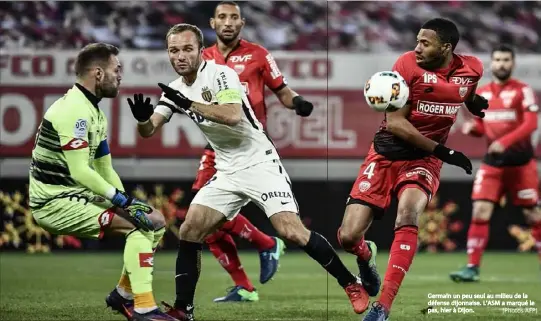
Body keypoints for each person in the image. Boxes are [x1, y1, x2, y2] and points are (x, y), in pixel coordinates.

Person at [128, 23, 369, 321]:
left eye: (187, 49)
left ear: (201, 51)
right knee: (190, 230)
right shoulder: (174, 89)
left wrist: (189, 103)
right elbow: (150, 129)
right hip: (227, 168)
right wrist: (141, 120)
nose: (180, 56)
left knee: (290, 231)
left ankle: (351, 283)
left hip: (259, 161)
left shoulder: (222, 74)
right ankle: (182, 311)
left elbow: (231, 115)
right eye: (174, 50)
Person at [336, 18, 488, 321]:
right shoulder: (406, 65)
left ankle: (383, 307)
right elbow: (396, 124)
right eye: (417, 40)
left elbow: (465, 90)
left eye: (425, 43)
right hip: (385, 154)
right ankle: (366, 256)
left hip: (423, 161)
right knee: (348, 237)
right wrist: (446, 151)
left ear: (445, 48)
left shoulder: (472, 69)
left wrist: (472, 102)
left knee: (408, 214)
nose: (416, 48)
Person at [28, 43, 176, 321]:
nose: (121, 75)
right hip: (54, 202)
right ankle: (144, 308)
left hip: (76, 195)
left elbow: (104, 169)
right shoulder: (74, 110)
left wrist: (128, 201)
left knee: (154, 223)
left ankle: (122, 295)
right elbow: (80, 172)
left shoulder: (94, 111)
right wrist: (122, 202)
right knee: (138, 229)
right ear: (98, 73)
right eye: (116, 69)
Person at [185, 1, 314, 303]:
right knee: (203, 222)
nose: (228, 23)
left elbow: (282, 90)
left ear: (242, 23)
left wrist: (297, 103)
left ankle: (266, 244)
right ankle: (246, 283)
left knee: (203, 216)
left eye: (233, 18)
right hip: (217, 144)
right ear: (212, 23)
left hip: (251, 145)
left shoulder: (258, 55)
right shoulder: (202, 58)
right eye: (222, 18)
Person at [449, 44, 541, 282]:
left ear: (513, 63)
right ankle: (471, 267)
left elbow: (531, 124)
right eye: (497, 60)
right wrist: (473, 129)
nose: (501, 64)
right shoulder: (483, 93)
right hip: (493, 163)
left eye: (506, 60)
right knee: (480, 210)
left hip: (521, 163)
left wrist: (506, 141)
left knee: (533, 215)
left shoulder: (524, 90)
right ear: (492, 64)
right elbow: (484, 126)